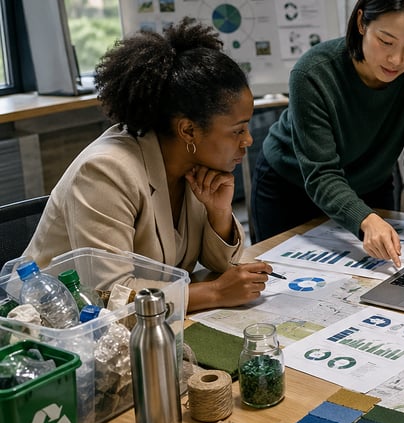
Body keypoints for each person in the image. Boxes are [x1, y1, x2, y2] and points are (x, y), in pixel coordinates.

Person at [23, 18, 273, 312]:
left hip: (144, 321)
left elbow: (221, 265)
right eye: (238, 130)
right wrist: (215, 293)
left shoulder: (193, 163)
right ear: (188, 130)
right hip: (50, 321)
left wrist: (218, 213)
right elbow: (109, 294)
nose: (248, 140)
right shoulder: (106, 171)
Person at [250, 0, 404, 270]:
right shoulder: (313, 72)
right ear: (361, 22)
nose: (397, 59)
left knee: (384, 275)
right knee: (283, 281)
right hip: (292, 186)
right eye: (386, 41)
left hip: (371, 181)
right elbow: (321, 173)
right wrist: (365, 219)